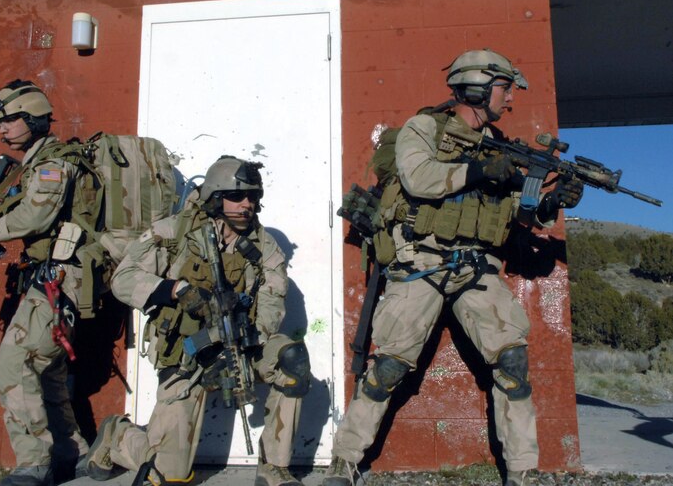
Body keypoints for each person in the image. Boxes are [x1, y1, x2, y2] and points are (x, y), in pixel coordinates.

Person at [323, 50, 583, 486]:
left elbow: (519, 214)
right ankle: (345, 459)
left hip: (476, 267)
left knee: (512, 360)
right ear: (477, 87)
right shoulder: (424, 128)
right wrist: (479, 170)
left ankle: (522, 471)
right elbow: (418, 178)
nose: (510, 99)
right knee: (388, 367)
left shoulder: (499, 145)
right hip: (421, 261)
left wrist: (550, 202)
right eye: (504, 89)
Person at [84, 155, 311, 486]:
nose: (247, 204)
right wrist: (175, 289)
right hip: (187, 352)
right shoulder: (174, 231)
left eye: (253, 196)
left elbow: (272, 305)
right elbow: (123, 279)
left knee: (292, 359)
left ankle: (274, 467)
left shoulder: (264, 246)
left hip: (238, 346)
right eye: (237, 196)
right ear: (216, 197)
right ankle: (117, 435)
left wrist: (249, 336)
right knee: (169, 476)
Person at [0, 80, 90, 486]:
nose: (2, 129)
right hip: (51, 277)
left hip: (62, 277)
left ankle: (35, 463)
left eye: (9, 121)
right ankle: (72, 454)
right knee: (46, 369)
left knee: (13, 365)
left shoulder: (52, 164)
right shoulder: (35, 162)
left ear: (33, 118)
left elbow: (37, 216)